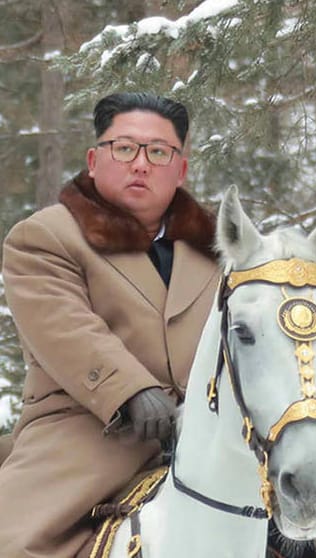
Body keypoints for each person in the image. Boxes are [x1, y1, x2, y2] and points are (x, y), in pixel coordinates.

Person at [0, 92, 218, 557]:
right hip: (87, 434)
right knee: (14, 542)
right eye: (124, 148)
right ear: (95, 160)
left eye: (158, 152)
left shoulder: (221, 250)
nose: (141, 163)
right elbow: (65, 327)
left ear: (180, 170)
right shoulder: (45, 237)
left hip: (210, 439)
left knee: (310, 540)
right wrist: (132, 389)